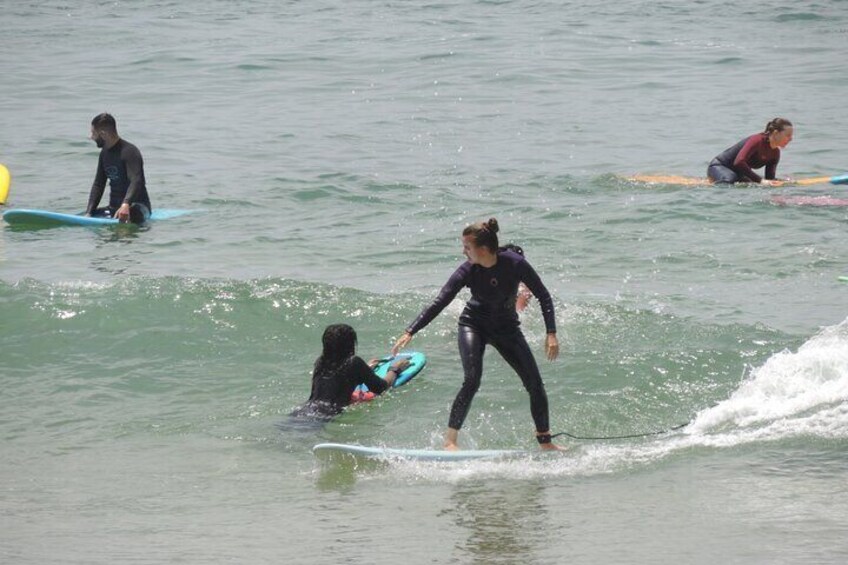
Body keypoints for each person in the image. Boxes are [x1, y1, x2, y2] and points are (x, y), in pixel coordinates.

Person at [391, 218, 563, 451]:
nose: (463, 252)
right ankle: (450, 441)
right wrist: (411, 330)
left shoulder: (515, 263)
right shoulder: (468, 269)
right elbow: (441, 300)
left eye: (467, 247)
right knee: (472, 379)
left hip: (507, 328)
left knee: (535, 383)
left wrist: (550, 333)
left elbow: (543, 295)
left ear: (483, 249)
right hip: (473, 324)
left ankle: (545, 441)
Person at [291, 324, 410, 419]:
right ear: (350, 344)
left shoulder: (320, 362)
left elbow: (336, 382)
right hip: (326, 416)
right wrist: (394, 369)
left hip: (303, 411)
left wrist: (366, 370)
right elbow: (381, 388)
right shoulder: (354, 363)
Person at [86, 113, 152, 223]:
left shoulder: (130, 152)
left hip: (138, 207)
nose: (91, 137)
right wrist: (89, 213)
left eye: (93, 133)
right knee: (92, 214)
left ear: (103, 134)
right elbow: (98, 184)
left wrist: (126, 203)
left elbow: (136, 180)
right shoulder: (104, 154)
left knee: (131, 215)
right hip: (114, 208)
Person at [706, 118, 793, 185]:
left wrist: (783, 183)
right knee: (730, 180)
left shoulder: (775, 153)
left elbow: (769, 179)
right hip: (719, 166)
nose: (791, 139)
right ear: (775, 133)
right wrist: (760, 180)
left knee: (751, 184)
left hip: (739, 173)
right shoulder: (757, 140)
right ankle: (705, 184)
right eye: (788, 135)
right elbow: (739, 162)